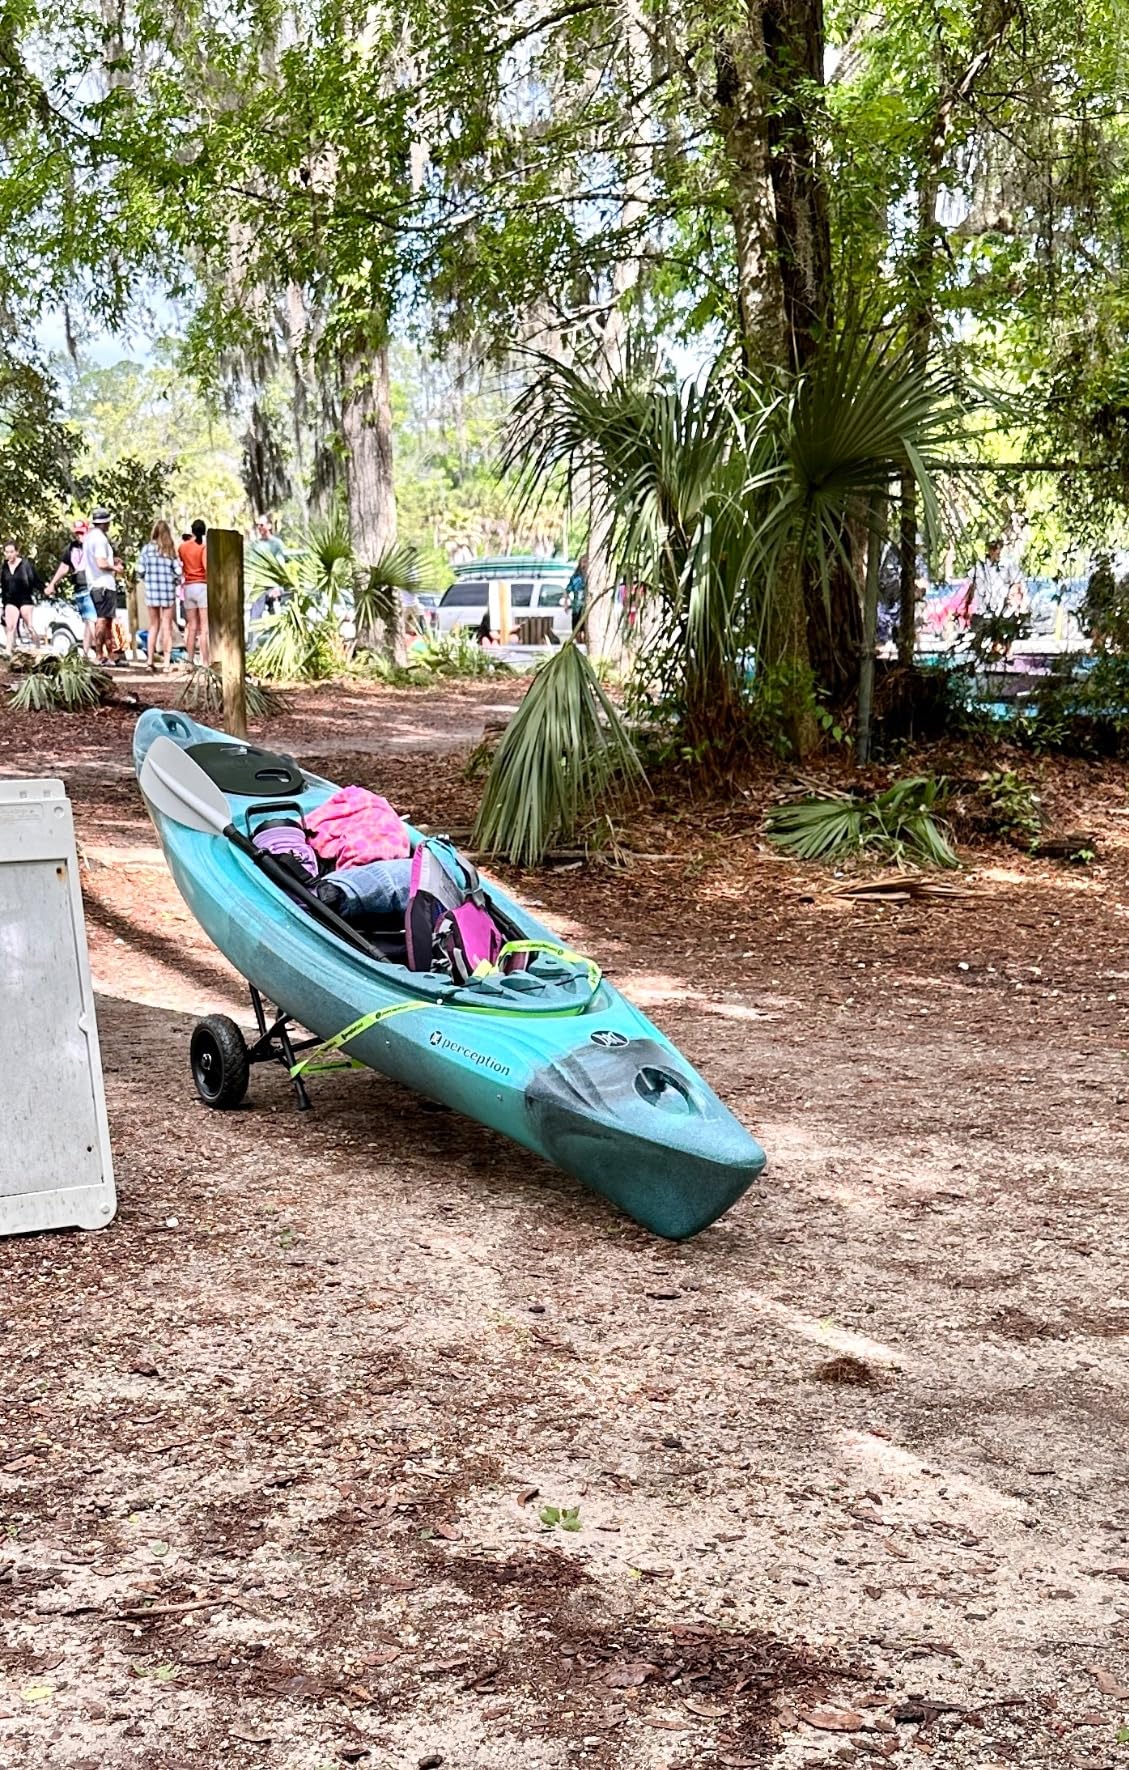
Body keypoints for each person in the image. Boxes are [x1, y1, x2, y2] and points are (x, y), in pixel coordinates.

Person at [138, 520, 184, 672]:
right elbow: (178, 572)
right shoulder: (170, 550)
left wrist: (147, 579)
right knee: (167, 627)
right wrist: (175, 582)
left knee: (153, 626)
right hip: (167, 592)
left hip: (152, 592)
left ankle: (150, 661)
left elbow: (140, 571)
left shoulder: (146, 550)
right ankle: (166, 663)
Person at [45, 522, 96, 656]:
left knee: (92, 621)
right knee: (88, 621)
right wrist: (52, 584)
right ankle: (85, 653)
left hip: (91, 586)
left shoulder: (93, 545)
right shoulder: (72, 547)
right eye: (77, 533)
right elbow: (64, 567)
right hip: (79, 587)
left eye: (82, 532)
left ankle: (102, 653)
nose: (79, 536)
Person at [82, 509, 123, 664]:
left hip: (94, 582)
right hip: (103, 583)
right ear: (105, 523)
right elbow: (101, 563)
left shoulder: (89, 537)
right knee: (102, 619)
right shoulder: (100, 539)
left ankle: (110, 653)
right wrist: (115, 568)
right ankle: (100, 654)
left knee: (106, 619)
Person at [178, 518, 209, 666]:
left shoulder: (183, 547)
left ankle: (190, 661)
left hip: (188, 587)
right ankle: (205, 661)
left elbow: (182, 564)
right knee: (204, 628)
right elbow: (206, 567)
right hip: (202, 586)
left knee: (192, 626)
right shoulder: (203, 548)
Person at [1, 539, 42, 650]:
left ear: (17, 552)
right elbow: (4, 587)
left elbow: (35, 580)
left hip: (25, 599)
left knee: (29, 626)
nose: (9, 554)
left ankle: (38, 649)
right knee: (10, 627)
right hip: (11, 600)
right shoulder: (4, 567)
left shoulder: (25, 564)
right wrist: (4, 605)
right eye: (7, 552)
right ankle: (8, 653)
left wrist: (45, 589)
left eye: (11, 551)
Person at [565, 552, 589, 636]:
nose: (585, 564)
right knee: (576, 631)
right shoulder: (575, 577)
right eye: (583, 562)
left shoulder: (591, 577)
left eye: (586, 562)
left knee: (586, 631)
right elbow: (567, 590)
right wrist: (566, 604)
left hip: (587, 608)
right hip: (577, 607)